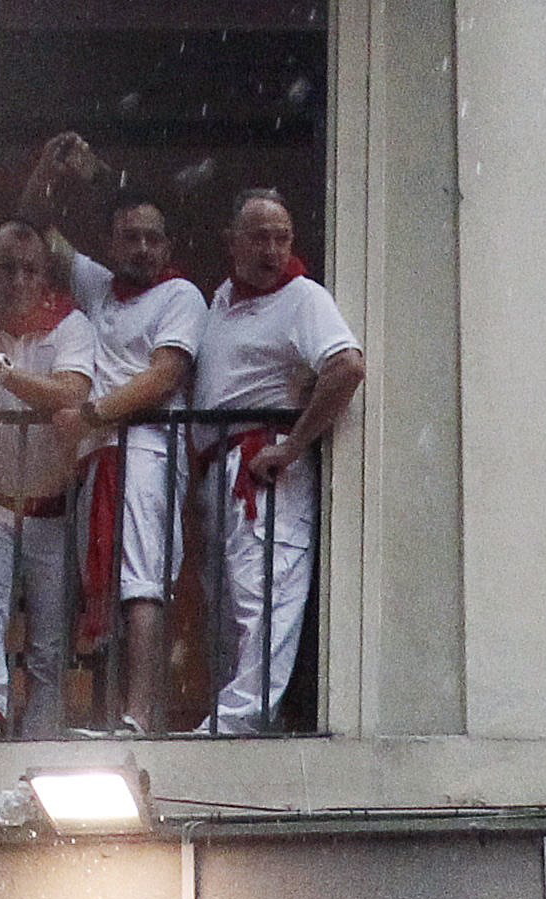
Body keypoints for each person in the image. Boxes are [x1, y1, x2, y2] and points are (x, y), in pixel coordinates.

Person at [18, 133, 205, 735]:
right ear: (110, 244)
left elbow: (163, 376)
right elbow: (32, 230)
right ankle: (107, 714)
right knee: (100, 585)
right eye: (130, 237)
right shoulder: (98, 286)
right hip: (96, 455)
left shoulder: (181, 295)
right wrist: (50, 168)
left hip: (146, 450)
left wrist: (92, 414)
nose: (143, 248)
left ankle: (140, 716)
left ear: (168, 246)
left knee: (140, 583)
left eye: (153, 238)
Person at [190, 189, 364, 735]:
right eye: (260, 238)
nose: (272, 250)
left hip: (262, 467)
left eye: (282, 238)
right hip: (220, 468)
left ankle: (244, 717)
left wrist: (292, 446)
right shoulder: (223, 298)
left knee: (263, 590)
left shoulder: (304, 298)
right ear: (233, 242)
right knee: (226, 599)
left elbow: (347, 367)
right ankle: (229, 712)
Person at [0, 220, 99, 741]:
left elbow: (71, 393)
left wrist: (1, 371)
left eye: (31, 270)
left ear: (46, 275)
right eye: (7, 268)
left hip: (53, 505)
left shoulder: (71, 324)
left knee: (50, 636)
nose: (20, 281)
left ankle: (42, 728)